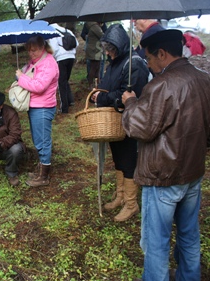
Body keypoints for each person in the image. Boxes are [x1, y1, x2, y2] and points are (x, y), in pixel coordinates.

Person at [122, 29, 210, 281]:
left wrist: (130, 102)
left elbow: (140, 128)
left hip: (163, 176)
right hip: (193, 172)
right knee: (189, 234)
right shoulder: (204, 79)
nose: (148, 63)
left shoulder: (161, 85)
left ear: (162, 53)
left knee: (156, 243)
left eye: (149, 58)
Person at [90, 24, 149, 222]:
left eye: (111, 49)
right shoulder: (114, 63)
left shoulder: (135, 64)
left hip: (130, 119)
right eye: (107, 49)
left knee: (129, 159)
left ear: (120, 46)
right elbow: (109, 87)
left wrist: (102, 98)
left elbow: (129, 93)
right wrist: (98, 94)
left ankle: (131, 204)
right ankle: (121, 195)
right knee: (118, 158)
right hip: (114, 119)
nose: (108, 53)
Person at [15, 35, 59, 187]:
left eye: (34, 50)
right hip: (35, 105)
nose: (31, 53)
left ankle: (44, 175)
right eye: (29, 50)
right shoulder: (36, 62)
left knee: (43, 141)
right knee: (38, 139)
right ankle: (41, 168)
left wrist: (21, 78)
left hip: (43, 106)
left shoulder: (49, 64)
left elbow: (39, 86)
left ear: (42, 48)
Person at [48, 23, 78, 114]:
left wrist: (51, 57)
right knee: (65, 80)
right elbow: (77, 43)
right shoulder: (67, 31)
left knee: (61, 82)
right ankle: (70, 100)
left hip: (61, 58)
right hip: (71, 57)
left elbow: (54, 48)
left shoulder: (52, 32)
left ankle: (64, 108)